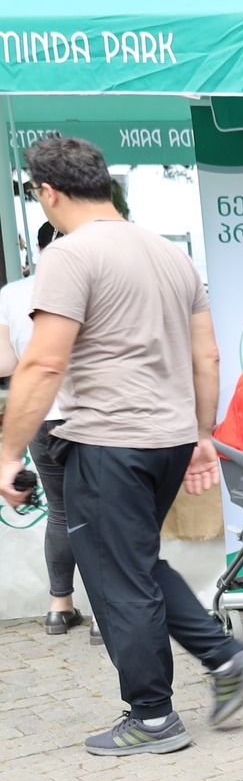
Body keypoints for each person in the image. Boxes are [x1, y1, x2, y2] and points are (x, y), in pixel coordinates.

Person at [0, 136, 243, 755]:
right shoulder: (171, 256)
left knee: (117, 578)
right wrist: (202, 435)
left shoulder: (68, 254)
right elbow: (207, 355)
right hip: (169, 439)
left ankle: (152, 717)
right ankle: (226, 659)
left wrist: (8, 452)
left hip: (108, 440)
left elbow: (43, 363)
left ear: (47, 192)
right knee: (136, 563)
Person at [0, 221, 96, 639]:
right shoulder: (92, 286)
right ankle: (103, 617)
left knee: (61, 510)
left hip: (41, 414)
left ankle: (60, 607)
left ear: (39, 250)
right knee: (100, 512)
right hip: (93, 416)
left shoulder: (11, 294)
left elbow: (4, 364)